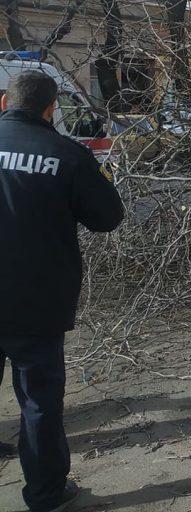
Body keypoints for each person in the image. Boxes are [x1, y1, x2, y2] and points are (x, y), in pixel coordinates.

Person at [0, 71, 124, 512]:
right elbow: (108, 217)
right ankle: (46, 493)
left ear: (3, 103)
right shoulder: (66, 154)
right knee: (38, 401)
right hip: (36, 299)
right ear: (52, 109)